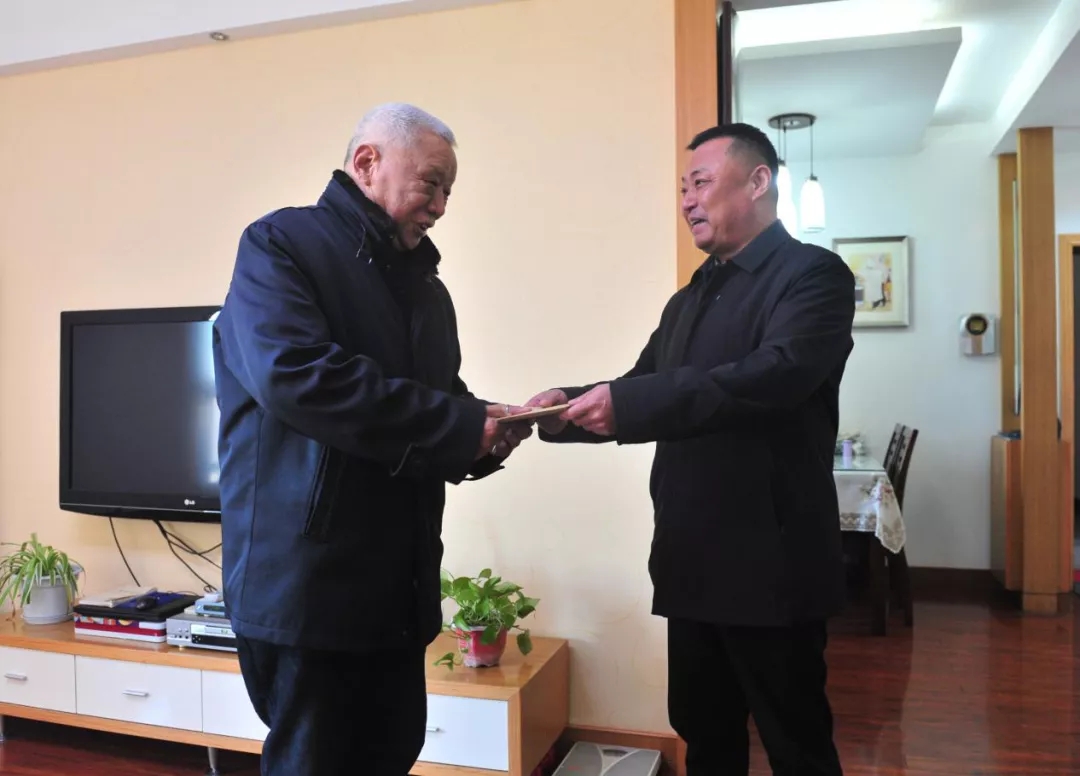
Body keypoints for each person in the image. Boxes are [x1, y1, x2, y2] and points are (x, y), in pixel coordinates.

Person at [212, 102, 531, 776]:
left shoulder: (427, 292)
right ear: (367, 163)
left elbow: (434, 401)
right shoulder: (279, 245)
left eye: (448, 191)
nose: (440, 206)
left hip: (397, 588)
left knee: (391, 754)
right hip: (307, 588)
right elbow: (298, 377)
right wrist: (457, 424)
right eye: (431, 184)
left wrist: (489, 427)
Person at [527, 123, 854, 775]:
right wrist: (559, 409)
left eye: (700, 182)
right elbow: (642, 384)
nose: (687, 200)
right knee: (704, 737)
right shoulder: (689, 298)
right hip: (691, 558)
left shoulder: (813, 276)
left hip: (773, 564)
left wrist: (626, 403)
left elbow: (776, 374)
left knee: (797, 744)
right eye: (683, 188)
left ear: (758, 182)